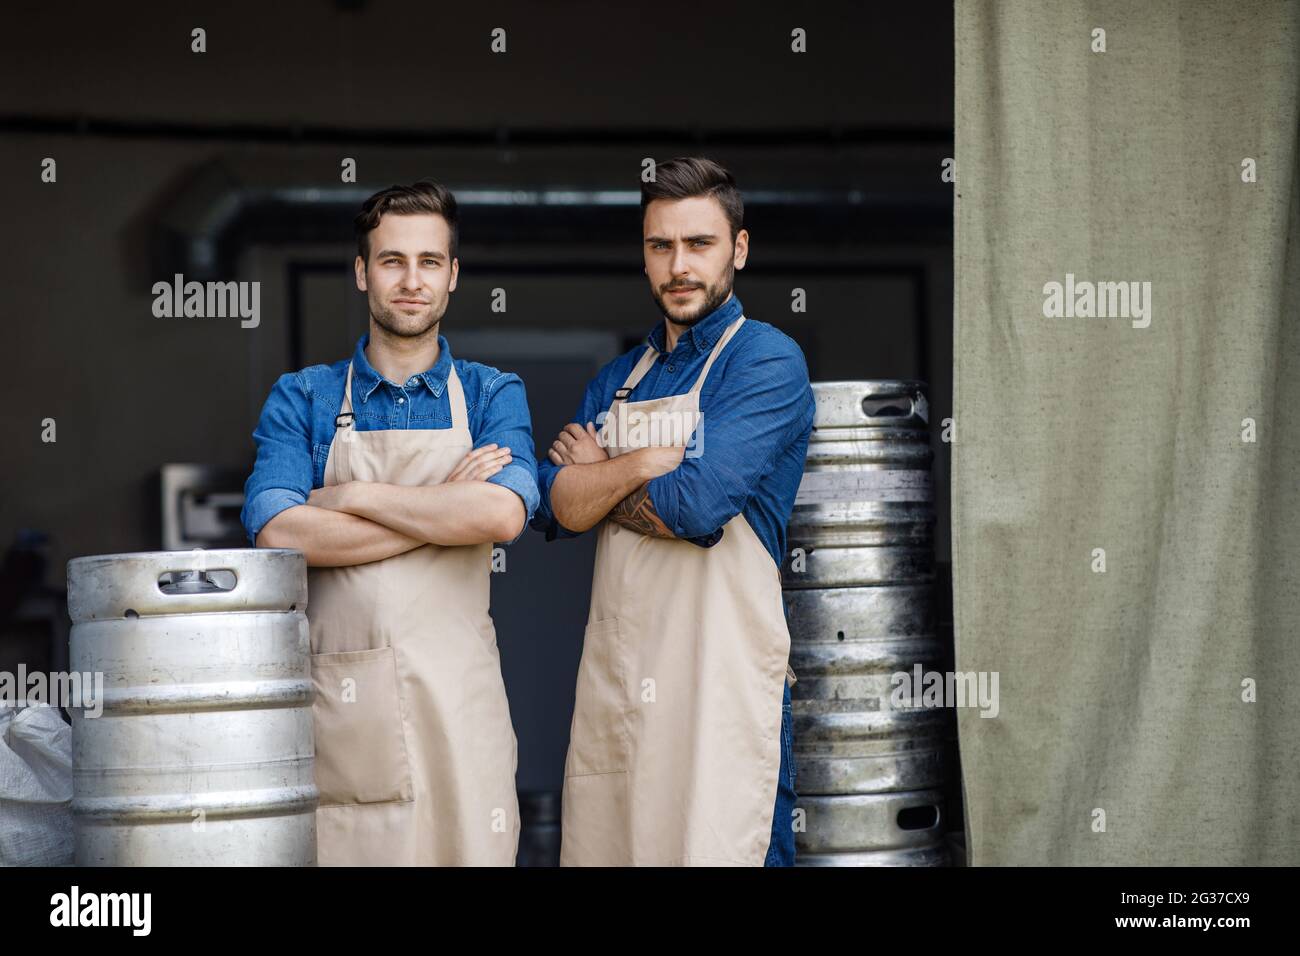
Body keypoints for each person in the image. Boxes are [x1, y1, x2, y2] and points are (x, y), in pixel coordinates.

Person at [241, 180, 538, 865]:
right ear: (361, 272)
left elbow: (501, 512)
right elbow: (278, 534)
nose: (411, 280)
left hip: (462, 714)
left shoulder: (494, 393)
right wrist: (442, 508)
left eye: (430, 262)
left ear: (453, 275)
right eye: (391, 260)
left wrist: (347, 497)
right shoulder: (303, 398)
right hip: (347, 715)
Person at [535, 157, 815, 866]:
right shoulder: (617, 379)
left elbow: (696, 507)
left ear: (738, 250)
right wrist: (636, 467)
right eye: (661, 246)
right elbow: (554, 508)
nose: (679, 265)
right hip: (621, 695)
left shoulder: (765, 362)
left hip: (718, 694)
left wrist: (596, 479)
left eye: (700, 244)